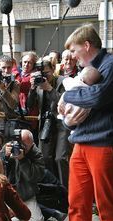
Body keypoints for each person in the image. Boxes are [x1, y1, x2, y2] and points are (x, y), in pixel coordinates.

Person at [47, 24, 113, 221]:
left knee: (106, 205)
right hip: (82, 143)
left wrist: (71, 94)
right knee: (76, 205)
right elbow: (88, 95)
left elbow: (97, 96)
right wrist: (77, 92)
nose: (72, 56)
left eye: (73, 50)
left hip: (105, 143)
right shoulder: (87, 70)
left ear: (86, 46)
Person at [27, 57, 69, 187]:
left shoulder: (63, 82)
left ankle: (65, 190)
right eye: (42, 74)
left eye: (47, 72)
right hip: (45, 124)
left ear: (53, 69)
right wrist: (33, 88)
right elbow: (29, 104)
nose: (45, 76)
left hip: (61, 124)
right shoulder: (38, 84)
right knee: (45, 158)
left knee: (60, 158)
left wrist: (50, 88)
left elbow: (65, 103)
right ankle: (53, 187)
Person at [2, 129, 48, 221]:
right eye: (23, 145)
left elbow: (35, 177)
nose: (24, 149)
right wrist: (5, 156)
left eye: (27, 146)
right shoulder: (9, 147)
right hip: (7, 192)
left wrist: (23, 160)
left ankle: (14, 213)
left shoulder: (36, 153)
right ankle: (17, 213)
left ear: (32, 143)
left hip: (25, 194)